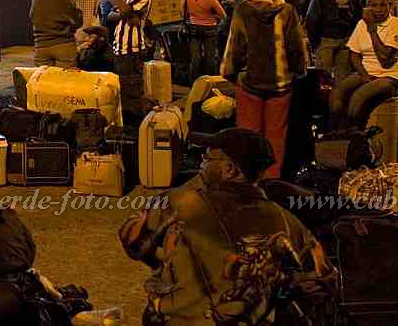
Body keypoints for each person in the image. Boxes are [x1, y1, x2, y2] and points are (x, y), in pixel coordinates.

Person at [119, 128, 330, 324]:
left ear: (229, 169)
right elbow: (323, 283)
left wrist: (193, 187)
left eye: (207, 159)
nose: (201, 164)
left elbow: (132, 241)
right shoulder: (287, 221)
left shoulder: (179, 203)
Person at [221, 0, 310, 179]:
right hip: (280, 84)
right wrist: (299, 72)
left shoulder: (243, 10)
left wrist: (230, 74)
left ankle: (248, 181)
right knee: (275, 137)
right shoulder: (287, 11)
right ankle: (271, 183)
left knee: (248, 135)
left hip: (249, 82)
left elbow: (234, 47)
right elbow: (296, 47)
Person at [331, 0, 398, 131]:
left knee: (358, 98)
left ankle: (356, 138)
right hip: (366, 72)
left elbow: (385, 58)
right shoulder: (362, 24)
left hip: (391, 76)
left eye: (383, 5)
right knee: (337, 94)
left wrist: (372, 29)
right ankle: (337, 136)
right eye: (374, 5)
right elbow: (354, 53)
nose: (378, 9)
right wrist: (364, 75)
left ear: (390, 7)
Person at [110, 0, 154, 125]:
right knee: (123, 89)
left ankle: (135, 126)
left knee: (131, 89)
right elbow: (111, 15)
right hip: (120, 50)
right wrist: (123, 13)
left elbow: (125, 12)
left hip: (132, 51)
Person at [306, 0, 364, 79]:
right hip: (326, 39)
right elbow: (312, 18)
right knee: (323, 76)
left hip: (346, 40)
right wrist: (316, 42)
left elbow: (358, 17)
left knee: (343, 76)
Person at [31, 0, 82, 68]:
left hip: (41, 45)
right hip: (64, 45)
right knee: (64, 80)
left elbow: (32, 17)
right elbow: (78, 22)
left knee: (44, 80)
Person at [184, 0, 228, 82]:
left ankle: (194, 83)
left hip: (194, 29)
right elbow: (224, 16)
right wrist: (212, 16)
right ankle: (211, 83)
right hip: (210, 29)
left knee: (195, 58)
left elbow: (184, 14)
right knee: (210, 57)